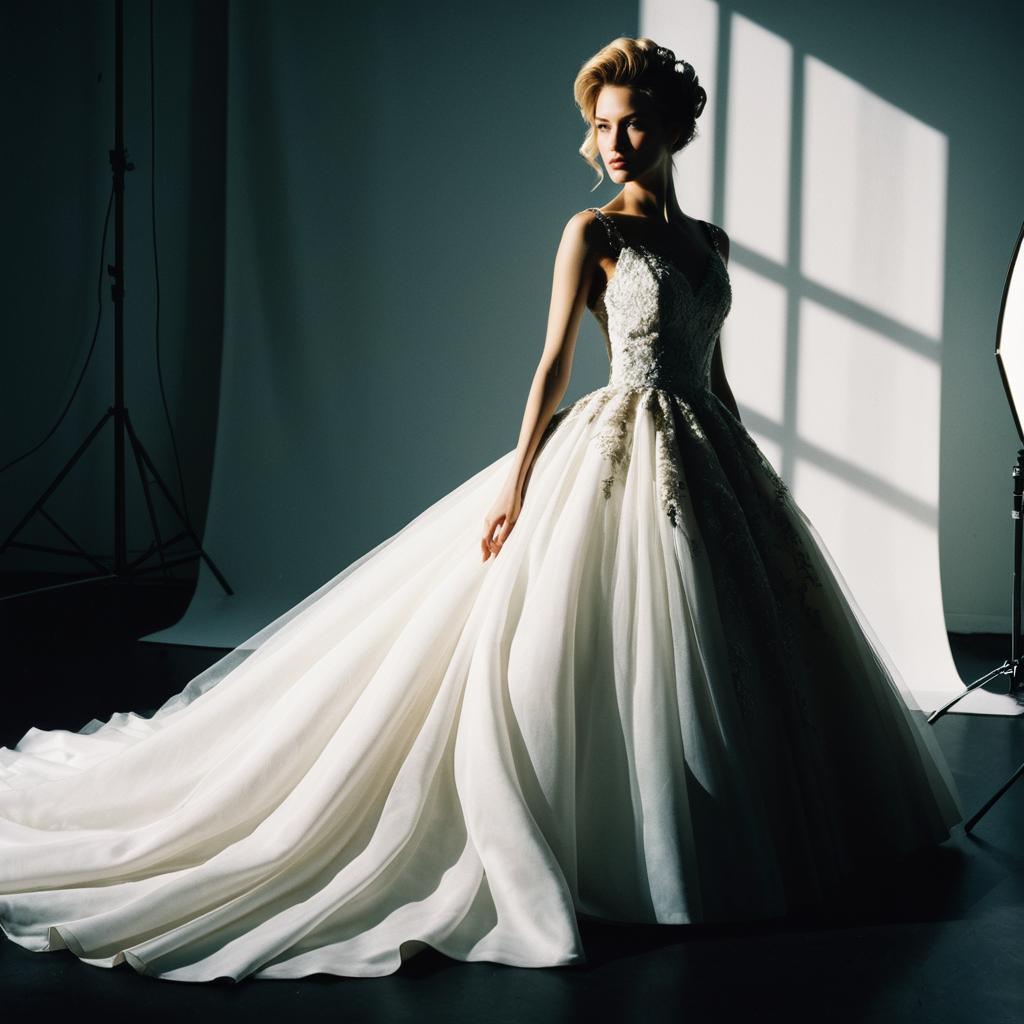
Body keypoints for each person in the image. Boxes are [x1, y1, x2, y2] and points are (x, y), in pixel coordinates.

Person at [0, 35, 962, 982]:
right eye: (601, 125)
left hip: (708, 448)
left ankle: (741, 836)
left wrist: (745, 459)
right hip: (619, 438)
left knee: (732, 648)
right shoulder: (596, 234)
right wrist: (516, 480)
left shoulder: (707, 245)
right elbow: (552, 364)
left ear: (672, 128)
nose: (614, 140)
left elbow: (711, 366)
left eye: (631, 123)